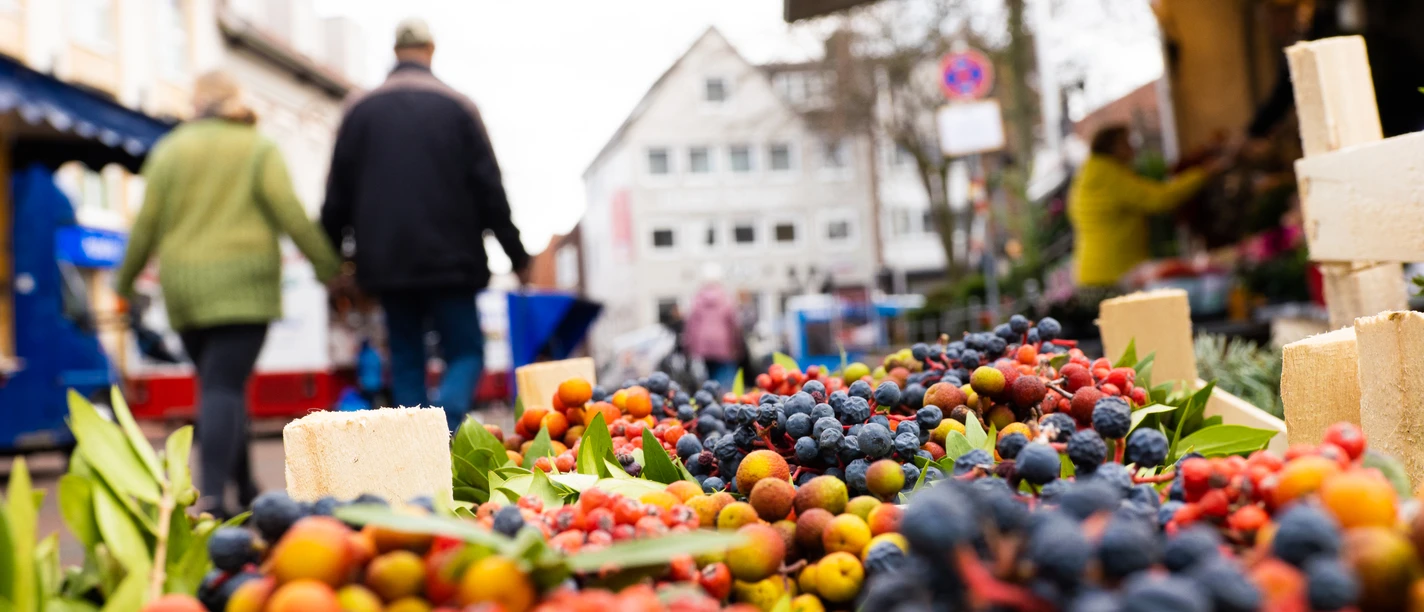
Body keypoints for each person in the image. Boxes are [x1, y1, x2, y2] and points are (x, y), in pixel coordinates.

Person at [116, 71, 341, 518]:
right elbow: (289, 210)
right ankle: (213, 497)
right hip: (244, 285)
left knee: (223, 384)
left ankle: (246, 487)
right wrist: (328, 266)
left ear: (196, 104)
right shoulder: (257, 147)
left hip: (185, 288)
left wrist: (124, 283)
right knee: (223, 385)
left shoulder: (169, 151)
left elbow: (146, 225)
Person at [321, 18, 530, 432]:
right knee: (467, 351)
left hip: (386, 261)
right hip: (452, 259)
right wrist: (517, 255)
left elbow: (336, 196)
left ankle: (417, 448)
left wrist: (333, 260)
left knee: (405, 357)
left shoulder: (360, 111)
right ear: (431, 51)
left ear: (395, 52)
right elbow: (490, 189)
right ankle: (447, 425)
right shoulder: (458, 108)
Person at [1068, 125, 1223, 288]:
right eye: (1127, 142)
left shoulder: (1091, 172)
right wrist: (1203, 173)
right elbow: (1159, 199)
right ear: (1114, 147)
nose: (1133, 148)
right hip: (1113, 274)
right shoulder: (1108, 176)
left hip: (1098, 272)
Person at [683, 264, 742, 389]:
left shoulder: (697, 299)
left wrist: (688, 347)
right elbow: (733, 324)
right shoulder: (726, 299)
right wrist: (737, 345)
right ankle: (726, 401)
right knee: (725, 377)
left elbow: (691, 326)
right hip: (724, 344)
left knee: (708, 377)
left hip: (703, 345)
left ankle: (711, 400)